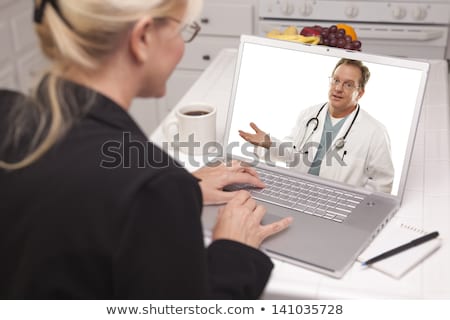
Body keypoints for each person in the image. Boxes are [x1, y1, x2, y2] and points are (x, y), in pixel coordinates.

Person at [0, 0, 292, 299]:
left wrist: (180, 190)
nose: (181, 46)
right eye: (181, 31)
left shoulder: (7, 111)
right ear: (142, 38)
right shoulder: (153, 185)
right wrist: (235, 250)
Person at [239, 58, 395, 193]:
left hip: (339, 203)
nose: (338, 88)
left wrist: (355, 205)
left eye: (348, 85)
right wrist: (269, 143)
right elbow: (291, 154)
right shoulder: (308, 115)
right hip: (298, 191)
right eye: (336, 80)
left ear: (360, 93)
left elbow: (382, 182)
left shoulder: (375, 131)